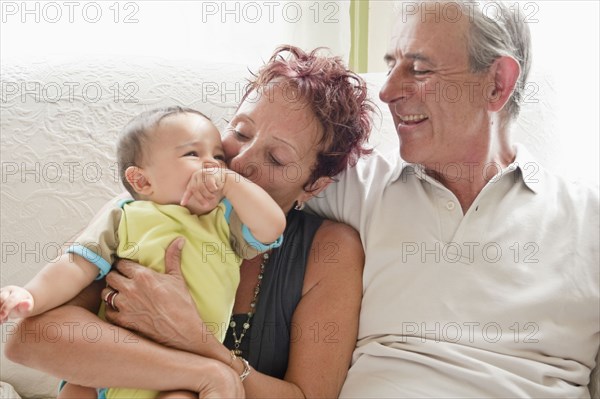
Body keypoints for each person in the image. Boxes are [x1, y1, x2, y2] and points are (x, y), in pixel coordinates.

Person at [4, 46, 371, 398]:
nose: (238, 162)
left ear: (313, 185)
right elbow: (29, 341)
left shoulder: (329, 250)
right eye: (240, 132)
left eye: (275, 158)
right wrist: (206, 374)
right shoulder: (149, 208)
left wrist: (198, 341)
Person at [307, 1, 599, 397]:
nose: (388, 91)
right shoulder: (353, 187)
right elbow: (226, 183)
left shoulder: (587, 222)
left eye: (420, 69)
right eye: (391, 64)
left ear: (497, 83)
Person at [0, 106, 287, 399]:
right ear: (142, 181)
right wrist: (31, 296)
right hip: (110, 368)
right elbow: (75, 265)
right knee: (76, 389)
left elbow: (272, 226)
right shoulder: (125, 214)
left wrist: (231, 183)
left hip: (181, 382)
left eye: (218, 157)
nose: (212, 165)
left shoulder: (224, 220)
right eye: (192, 154)